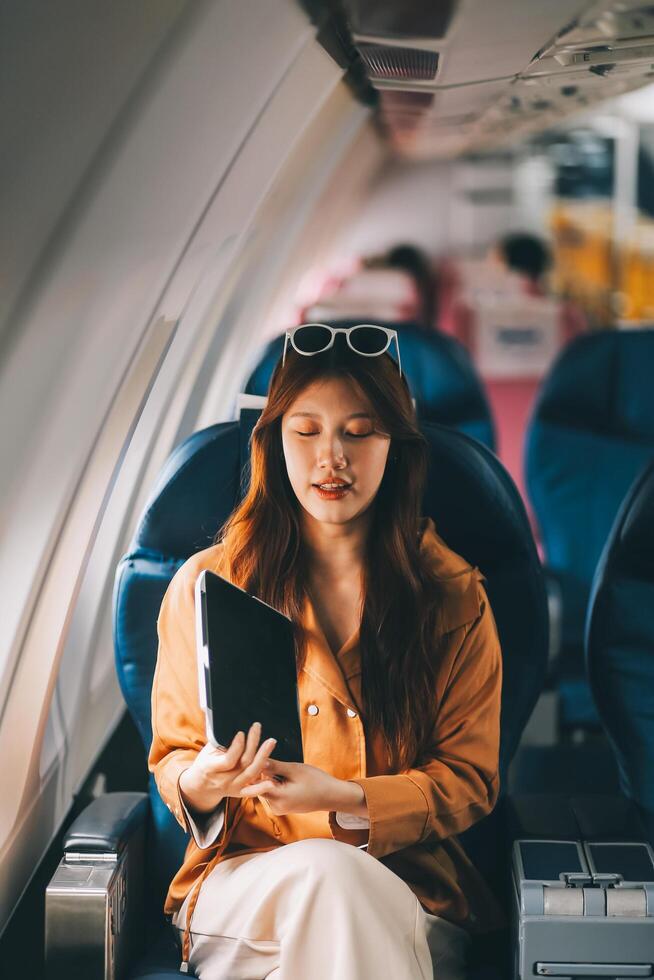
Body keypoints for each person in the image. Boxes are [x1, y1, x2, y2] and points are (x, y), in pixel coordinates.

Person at [149, 323, 503, 979]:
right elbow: (173, 756)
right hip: (244, 890)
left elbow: (470, 782)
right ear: (274, 443)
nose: (330, 457)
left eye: (358, 431)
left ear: (395, 445)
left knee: (336, 883)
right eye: (306, 431)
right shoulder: (210, 586)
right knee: (326, 878)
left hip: (407, 898)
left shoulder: (452, 598)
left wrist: (344, 795)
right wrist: (205, 780)